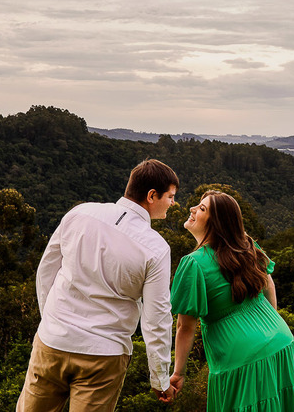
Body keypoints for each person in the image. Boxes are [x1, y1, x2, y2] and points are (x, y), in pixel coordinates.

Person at [16, 158, 179, 412]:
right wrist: (159, 378)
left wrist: (50, 321)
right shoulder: (156, 248)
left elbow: (47, 269)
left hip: (52, 342)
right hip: (104, 355)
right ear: (151, 195)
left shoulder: (80, 213)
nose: (173, 202)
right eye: (170, 196)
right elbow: (156, 318)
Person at [165, 191, 294, 412]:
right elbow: (269, 284)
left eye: (202, 208)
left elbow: (185, 325)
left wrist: (179, 373)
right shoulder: (247, 246)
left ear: (216, 223)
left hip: (242, 360)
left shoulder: (193, 264)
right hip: (282, 341)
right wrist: (267, 328)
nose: (192, 209)